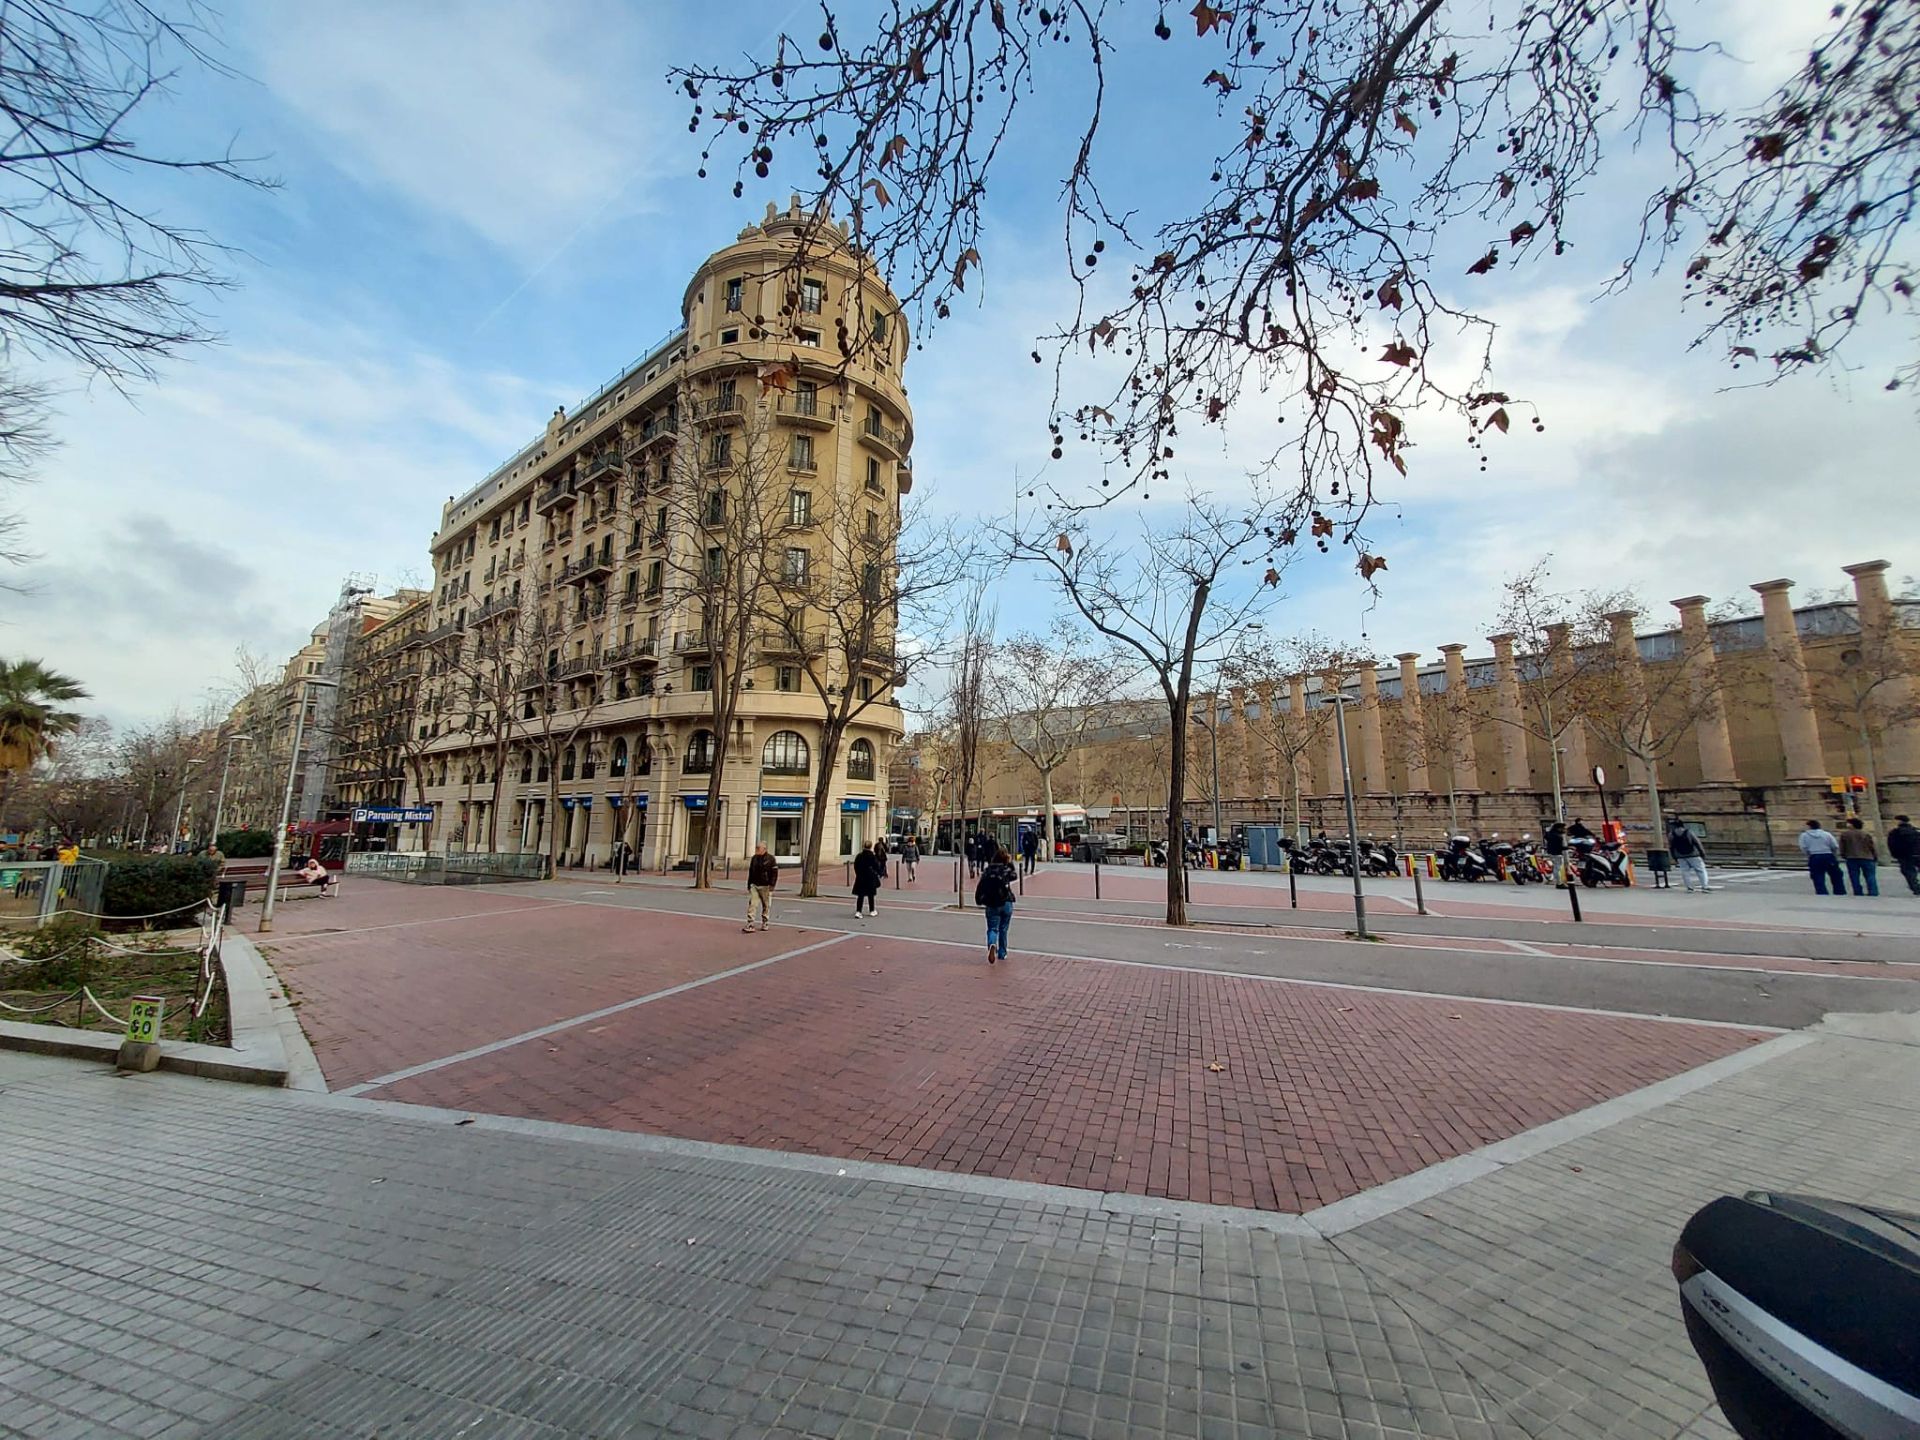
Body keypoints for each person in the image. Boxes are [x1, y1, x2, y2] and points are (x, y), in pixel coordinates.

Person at [976, 843, 1019, 964]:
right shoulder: (1006, 869)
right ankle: (1002, 953)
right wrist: (1009, 863)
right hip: (1006, 901)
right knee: (1003, 929)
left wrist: (979, 899)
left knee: (992, 928)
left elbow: (981, 886)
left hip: (991, 903)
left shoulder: (988, 870)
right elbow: (1014, 876)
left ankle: (992, 944)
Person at [1797, 819, 1844, 896]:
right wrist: (1833, 854)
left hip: (1814, 856)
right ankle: (1839, 892)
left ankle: (1822, 892)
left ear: (1809, 826)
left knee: (1817, 876)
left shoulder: (1804, 835)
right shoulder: (1826, 834)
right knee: (1836, 875)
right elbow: (1834, 846)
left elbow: (1803, 847)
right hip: (1828, 855)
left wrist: (1808, 854)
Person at [1837, 817, 1880, 897]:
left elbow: (1842, 847)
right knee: (1870, 876)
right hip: (1867, 857)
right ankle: (1873, 891)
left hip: (1851, 857)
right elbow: (1872, 846)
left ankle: (1858, 891)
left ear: (1852, 825)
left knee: (1854, 877)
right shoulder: (1866, 834)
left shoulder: (1845, 834)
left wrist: (1843, 855)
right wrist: (1875, 856)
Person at [1666, 817, 1711, 893]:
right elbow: (1697, 843)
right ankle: (1705, 886)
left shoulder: (1671, 834)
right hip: (1693, 854)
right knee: (1700, 870)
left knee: (1685, 872)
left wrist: (1674, 857)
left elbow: (1671, 847)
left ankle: (1689, 888)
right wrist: (1702, 853)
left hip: (1680, 856)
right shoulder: (1689, 832)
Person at [744, 843, 777, 931]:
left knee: (766, 905)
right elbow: (751, 871)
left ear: (764, 849)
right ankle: (750, 923)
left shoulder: (771, 859)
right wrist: (749, 884)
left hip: (765, 885)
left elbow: (774, 873)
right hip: (755, 885)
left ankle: (765, 922)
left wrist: (772, 885)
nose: (757, 849)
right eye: (756, 847)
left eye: (759, 848)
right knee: (752, 904)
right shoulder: (754, 858)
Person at [1889, 815, 1920, 896]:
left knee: (1909, 872)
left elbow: (1892, 844)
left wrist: (1895, 855)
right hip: (1917, 854)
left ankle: (1916, 888)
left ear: (1899, 821)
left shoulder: (1895, 832)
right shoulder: (1916, 831)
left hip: (1904, 856)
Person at [852, 840, 882, 919]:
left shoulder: (859, 856)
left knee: (860, 896)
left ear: (863, 846)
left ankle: (858, 911)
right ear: (870, 846)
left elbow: (855, 866)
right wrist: (879, 873)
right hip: (870, 878)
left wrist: (858, 874)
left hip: (860, 878)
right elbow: (876, 866)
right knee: (871, 895)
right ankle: (872, 910)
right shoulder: (872, 856)